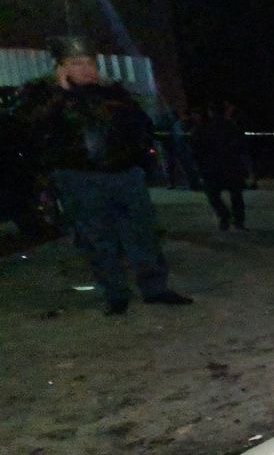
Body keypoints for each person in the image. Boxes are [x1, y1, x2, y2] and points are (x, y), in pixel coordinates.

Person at [21, 36, 192, 314]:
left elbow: (140, 124)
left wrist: (138, 156)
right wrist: (62, 93)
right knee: (97, 238)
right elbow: (34, 129)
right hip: (80, 177)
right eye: (77, 63)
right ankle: (115, 293)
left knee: (141, 232)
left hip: (125, 174)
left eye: (89, 62)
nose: (86, 69)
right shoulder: (43, 96)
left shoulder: (113, 92)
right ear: (62, 67)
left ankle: (155, 288)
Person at [192, 102, 250, 230]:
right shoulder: (232, 127)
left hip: (212, 167)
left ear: (210, 112)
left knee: (213, 195)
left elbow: (197, 150)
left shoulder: (203, 128)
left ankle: (224, 216)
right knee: (236, 195)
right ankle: (238, 221)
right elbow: (242, 147)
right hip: (232, 166)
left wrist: (200, 168)